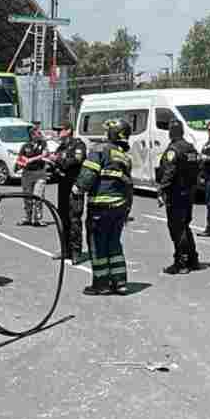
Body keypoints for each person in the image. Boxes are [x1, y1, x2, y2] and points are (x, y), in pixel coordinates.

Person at [76, 119, 134, 295]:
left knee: (97, 245)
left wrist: (77, 189)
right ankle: (120, 283)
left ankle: (101, 284)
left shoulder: (99, 150)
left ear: (113, 133)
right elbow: (128, 184)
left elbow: (88, 173)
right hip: (120, 207)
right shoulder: (124, 156)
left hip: (100, 207)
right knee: (114, 244)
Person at [156, 119, 202, 274]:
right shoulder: (191, 149)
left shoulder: (174, 149)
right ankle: (193, 259)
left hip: (176, 193)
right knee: (185, 226)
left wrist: (161, 189)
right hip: (188, 192)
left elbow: (169, 171)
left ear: (171, 132)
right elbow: (198, 168)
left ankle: (181, 262)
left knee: (177, 228)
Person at [51, 125, 88, 262]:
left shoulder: (78, 145)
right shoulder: (61, 147)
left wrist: (58, 160)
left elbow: (76, 161)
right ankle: (65, 250)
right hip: (63, 186)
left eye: (60, 130)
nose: (58, 133)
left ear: (68, 131)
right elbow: (56, 164)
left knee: (74, 220)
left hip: (74, 186)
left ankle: (76, 252)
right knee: (63, 219)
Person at [17, 124, 49, 226]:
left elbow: (44, 154)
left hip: (40, 173)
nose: (39, 135)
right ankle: (27, 217)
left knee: (38, 196)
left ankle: (38, 218)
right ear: (32, 135)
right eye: (37, 133)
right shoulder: (25, 146)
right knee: (27, 197)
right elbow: (21, 159)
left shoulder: (43, 144)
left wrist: (30, 159)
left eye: (39, 133)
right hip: (27, 173)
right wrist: (22, 163)